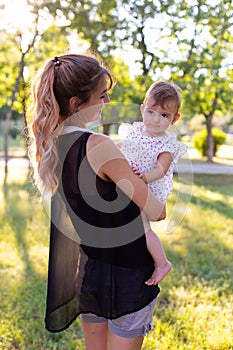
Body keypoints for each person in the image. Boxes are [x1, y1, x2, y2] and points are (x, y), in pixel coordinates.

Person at [29, 53, 166, 350]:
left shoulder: (50, 147)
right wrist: (156, 176)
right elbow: (157, 212)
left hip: (89, 273)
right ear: (77, 104)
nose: (107, 103)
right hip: (130, 276)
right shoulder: (98, 145)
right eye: (102, 96)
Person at [118, 81, 187, 285]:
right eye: (151, 112)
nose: (156, 120)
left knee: (143, 226)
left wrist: (144, 178)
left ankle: (162, 262)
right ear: (142, 109)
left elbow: (161, 169)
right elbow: (121, 147)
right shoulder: (133, 131)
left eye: (164, 115)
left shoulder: (166, 144)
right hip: (133, 182)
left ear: (174, 119)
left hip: (151, 187)